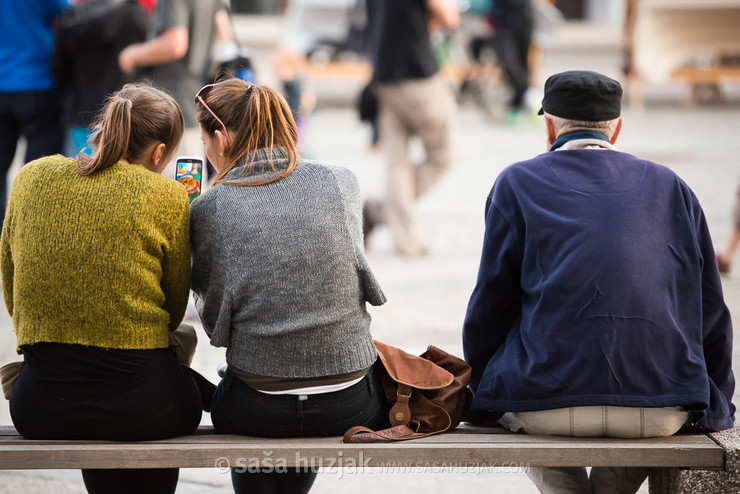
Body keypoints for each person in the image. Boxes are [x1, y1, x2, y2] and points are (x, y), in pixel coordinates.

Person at [462, 70, 735, 494]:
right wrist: (718, 403)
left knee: (514, 412)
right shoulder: (671, 186)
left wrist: (481, 392)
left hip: (545, 404)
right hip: (662, 404)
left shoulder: (517, 182)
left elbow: (490, 307)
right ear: (617, 129)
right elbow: (711, 311)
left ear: (548, 126)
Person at [0, 83, 213, 494]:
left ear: (103, 128)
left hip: (41, 408)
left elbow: (11, 290)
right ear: (158, 153)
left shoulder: (30, 178)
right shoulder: (167, 196)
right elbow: (172, 311)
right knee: (179, 365)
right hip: (146, 408)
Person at [190, 78, 389, 494]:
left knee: (238, 383)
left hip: (256, 409)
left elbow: (215, 328)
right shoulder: (341, 181)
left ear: (222, 139)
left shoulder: (210, 206)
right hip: (352, 403)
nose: (205, 152)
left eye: (205, 140)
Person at [362, 0, 460, 257]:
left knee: (397, 163)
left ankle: (405, 239)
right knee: (442, 155)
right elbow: (449, 17)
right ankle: (378, 212)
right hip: (418, 76)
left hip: (383, 77)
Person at [0, 0, 69, 231]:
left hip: (4, 82)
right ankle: (30, 236)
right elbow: (69, 15)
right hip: (39, 83)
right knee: (40, 173)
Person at [52, 0, 148, 156]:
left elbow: (59, 67)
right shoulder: (134, 15)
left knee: (78, 173)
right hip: (126, 114)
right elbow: (148, 64)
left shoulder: (71, 18)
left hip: (80, 110)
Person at [488, 0, 533, 123]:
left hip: (524, 22)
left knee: (523, 65)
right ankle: (524, 98)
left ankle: (517, 104)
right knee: (510, 65)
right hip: (504, 26)